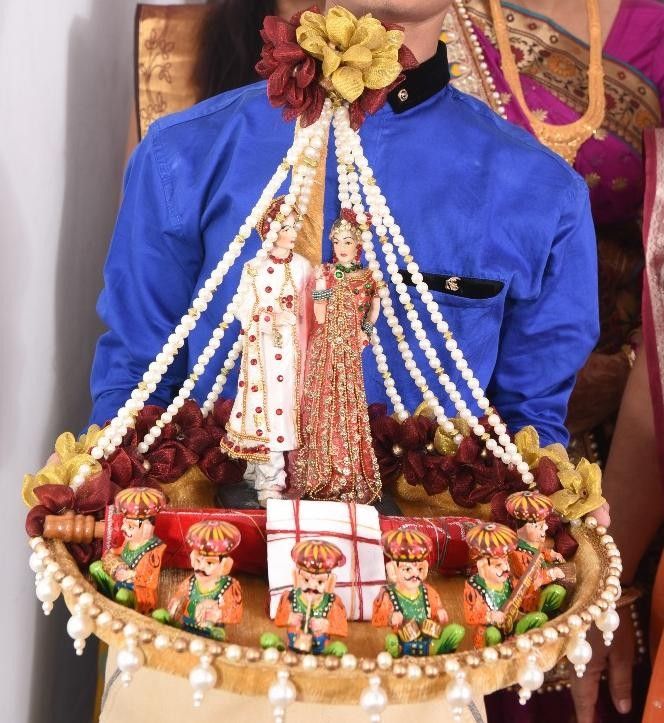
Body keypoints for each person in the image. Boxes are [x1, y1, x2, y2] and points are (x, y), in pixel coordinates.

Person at [90, 1, 599, 470]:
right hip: (220, 541)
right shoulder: (184, 154)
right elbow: (137, 387)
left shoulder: (541, 193)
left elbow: (529, 432)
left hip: (427, 551)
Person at [221, 196, 312, 505]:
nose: (292, 231)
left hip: (289, 352)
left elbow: (311, 308)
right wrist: (262, 316)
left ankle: (275, 477)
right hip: (260, 350)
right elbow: (242, 305)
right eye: (285, 225)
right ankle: (261, 475)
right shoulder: (254, 267)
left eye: (294, 225)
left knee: (283, 410)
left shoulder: (302, 267)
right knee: (261, 408)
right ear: (271, 228)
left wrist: (293, 316)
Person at [292, 210, 381, 504]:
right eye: (337, 241)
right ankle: (318, 471)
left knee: (347, 402)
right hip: (325, 343)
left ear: (358, 245)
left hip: (349, 349)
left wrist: (365, 331)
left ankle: (347, 470)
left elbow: (373, 307)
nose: (342, 247)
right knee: (320, 401)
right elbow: (319, 317)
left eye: (348, 241)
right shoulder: (327, 273)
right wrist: (320, 286)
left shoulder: (368, 277)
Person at [153, 520, 243, 640]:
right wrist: (177, 602)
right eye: (198, 561)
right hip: (186, 626)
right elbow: (181, 594)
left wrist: (217, 611)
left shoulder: (229, 586)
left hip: (210, 632)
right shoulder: (191, 581)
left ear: (225, 565)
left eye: (209, 563)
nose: (201, 567)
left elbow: (235, 613)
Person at [89, 487, 167, 614]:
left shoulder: (155, 551)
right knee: (95, 567)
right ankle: (108, 601)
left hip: (137, 591)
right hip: (119, 578)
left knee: (123, 595)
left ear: (147, 528)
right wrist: (112, 553)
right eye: (125, 523)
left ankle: (125, 614)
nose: (124, 528)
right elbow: (120, 551)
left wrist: (130, 574)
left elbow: (150, 581)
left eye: (131, 526)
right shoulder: (130, 539)